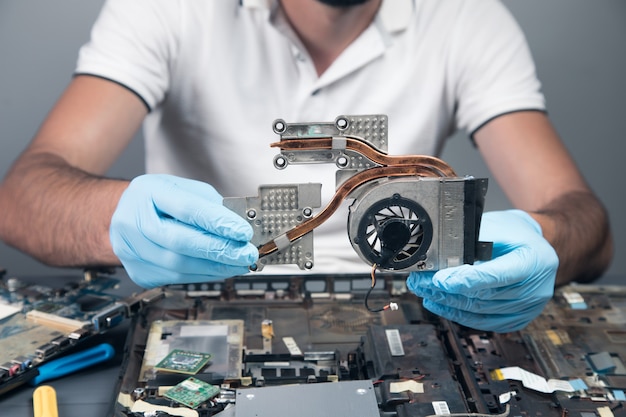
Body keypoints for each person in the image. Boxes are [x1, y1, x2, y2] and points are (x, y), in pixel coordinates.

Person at [0, 0, 613, 333]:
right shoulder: (166, 10)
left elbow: (584, 221)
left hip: (405, 309)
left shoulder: (468, 20)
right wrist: (117, 218)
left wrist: (544, 240)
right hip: (198, 306)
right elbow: (22, 198)